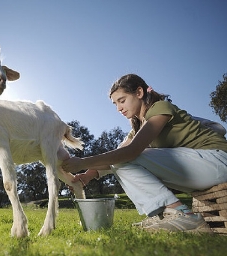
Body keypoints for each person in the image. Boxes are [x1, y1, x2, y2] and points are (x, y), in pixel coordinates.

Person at [62, 74, 227, 233]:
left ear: (139, 93)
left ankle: (181, 214)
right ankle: (165, 214)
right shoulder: (138, 129)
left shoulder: (161, 108)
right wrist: (87, 175)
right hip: (199, 170)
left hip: (218, 160)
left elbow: (131, 152)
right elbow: (118, 157)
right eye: (115, 104)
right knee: (121, 158)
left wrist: (83, 162)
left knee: (128, 155)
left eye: (122, 100)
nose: (119, 108)